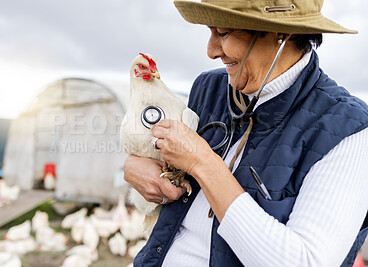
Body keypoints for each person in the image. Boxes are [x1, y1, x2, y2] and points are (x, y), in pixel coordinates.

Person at [123, 0, 368, 266]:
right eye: (210, 32)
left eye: (224, 33)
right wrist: (137, 167)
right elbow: (170, 166)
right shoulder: (208, 88)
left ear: (281, 34)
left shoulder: (349, 129)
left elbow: (306, 261)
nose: (211, 50)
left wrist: (202, 162)